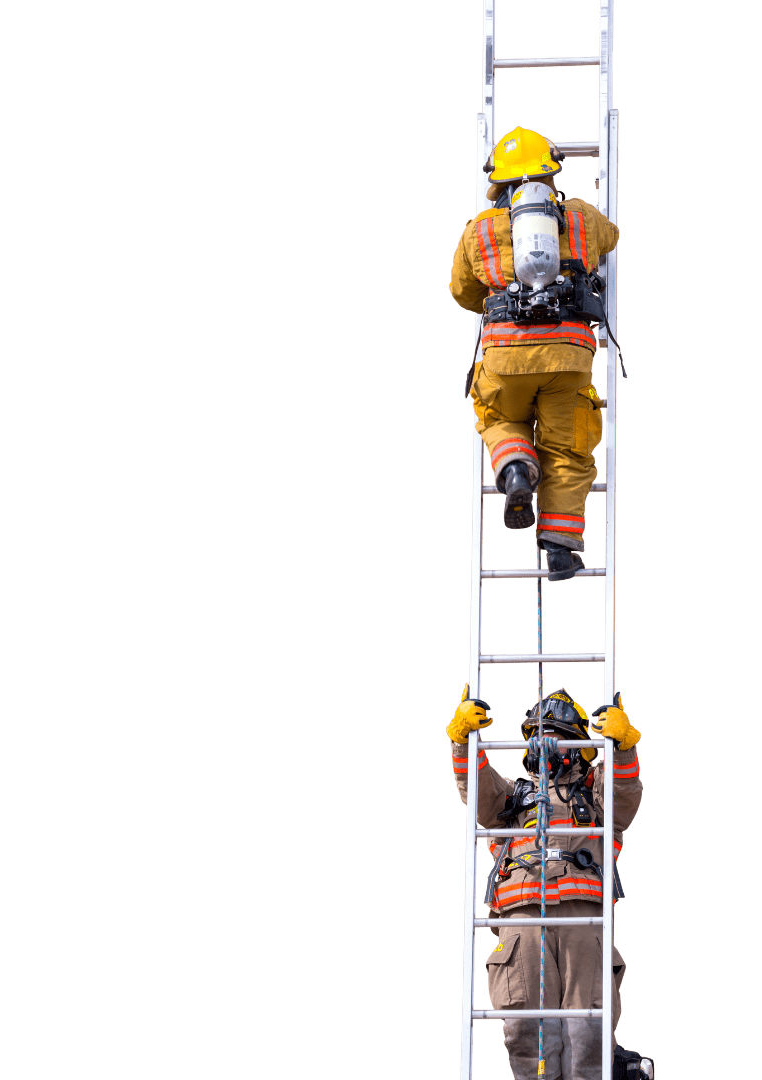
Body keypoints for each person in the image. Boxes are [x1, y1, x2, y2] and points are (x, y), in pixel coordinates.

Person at [449, 127, 620, 581]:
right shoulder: (582, 216)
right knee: (568, 448)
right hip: (570, 357)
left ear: (500, 182)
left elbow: (462, 293)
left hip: (506, 359)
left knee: (496, 417)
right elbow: (612, 237)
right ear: (551, 170)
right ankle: (562, 548)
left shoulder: (479, 231)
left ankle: (517, 466)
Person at [447, 686, 644, 1080]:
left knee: (587, 1034)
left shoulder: (597, 797)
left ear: (582, 745)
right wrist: (462, 742)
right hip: (521, 926)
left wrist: (622, 749)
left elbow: (625, 796)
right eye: (539, 734)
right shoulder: (513, 798)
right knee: (526, 1032)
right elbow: (479, 794)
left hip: (584, 925)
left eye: (556, 735)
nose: (546, 743)